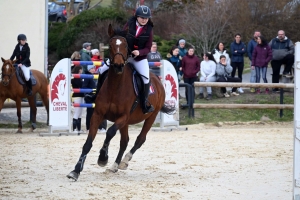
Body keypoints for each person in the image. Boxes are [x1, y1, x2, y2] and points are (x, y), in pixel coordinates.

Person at [97, 5, 154, 114]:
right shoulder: (130, 24)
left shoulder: (149, 30)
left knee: (146, 78)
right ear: (137, 16)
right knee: (102, 69)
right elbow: (121, 39)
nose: (144, 20)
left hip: (139, 59)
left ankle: (144, 102)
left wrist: (139, 52)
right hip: (125, 56)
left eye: (146, 18)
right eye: (142, 17)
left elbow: (148, 48)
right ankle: (96, 94)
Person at [71, 66, 84, 133]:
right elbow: (80, 85)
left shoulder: (79, 78)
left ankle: (79, 129)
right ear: (79, 70)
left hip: (81, 96)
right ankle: (74, 129)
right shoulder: (75, 78)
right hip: (76, 96)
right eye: (81, 70)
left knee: (80, 113)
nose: (82, 71)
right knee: (77, 112)